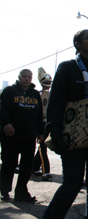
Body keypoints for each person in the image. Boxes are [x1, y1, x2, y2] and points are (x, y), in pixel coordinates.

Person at [42, 29, 88, 219]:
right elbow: (55, 104)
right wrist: (56, 135)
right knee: (72, 184)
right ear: (78, 44)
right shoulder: (67, 68)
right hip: (73, 136)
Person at [0, 69, 44, 202]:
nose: (26, 79)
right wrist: (6, 124)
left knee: (27, 165)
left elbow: (39, 115)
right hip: (10, 135)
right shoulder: (9, 91)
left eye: (29, 77)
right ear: (19, 77)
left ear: (32, 79)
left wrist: (40, 132)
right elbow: (2, 109)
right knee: (9, 163)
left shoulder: (35, 94)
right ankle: (5, 190)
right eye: (24, 76)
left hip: (29, 136)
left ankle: (21, 193)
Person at [32, 67, 53, 181]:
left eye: (49, 82)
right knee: (42, 147)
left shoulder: (50, 94)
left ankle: (34, 167)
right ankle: (46, 171)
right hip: (41, 123)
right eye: (46, 82)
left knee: (42, 146)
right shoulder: (39, 94)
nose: (48, 84)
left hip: (47, 123)